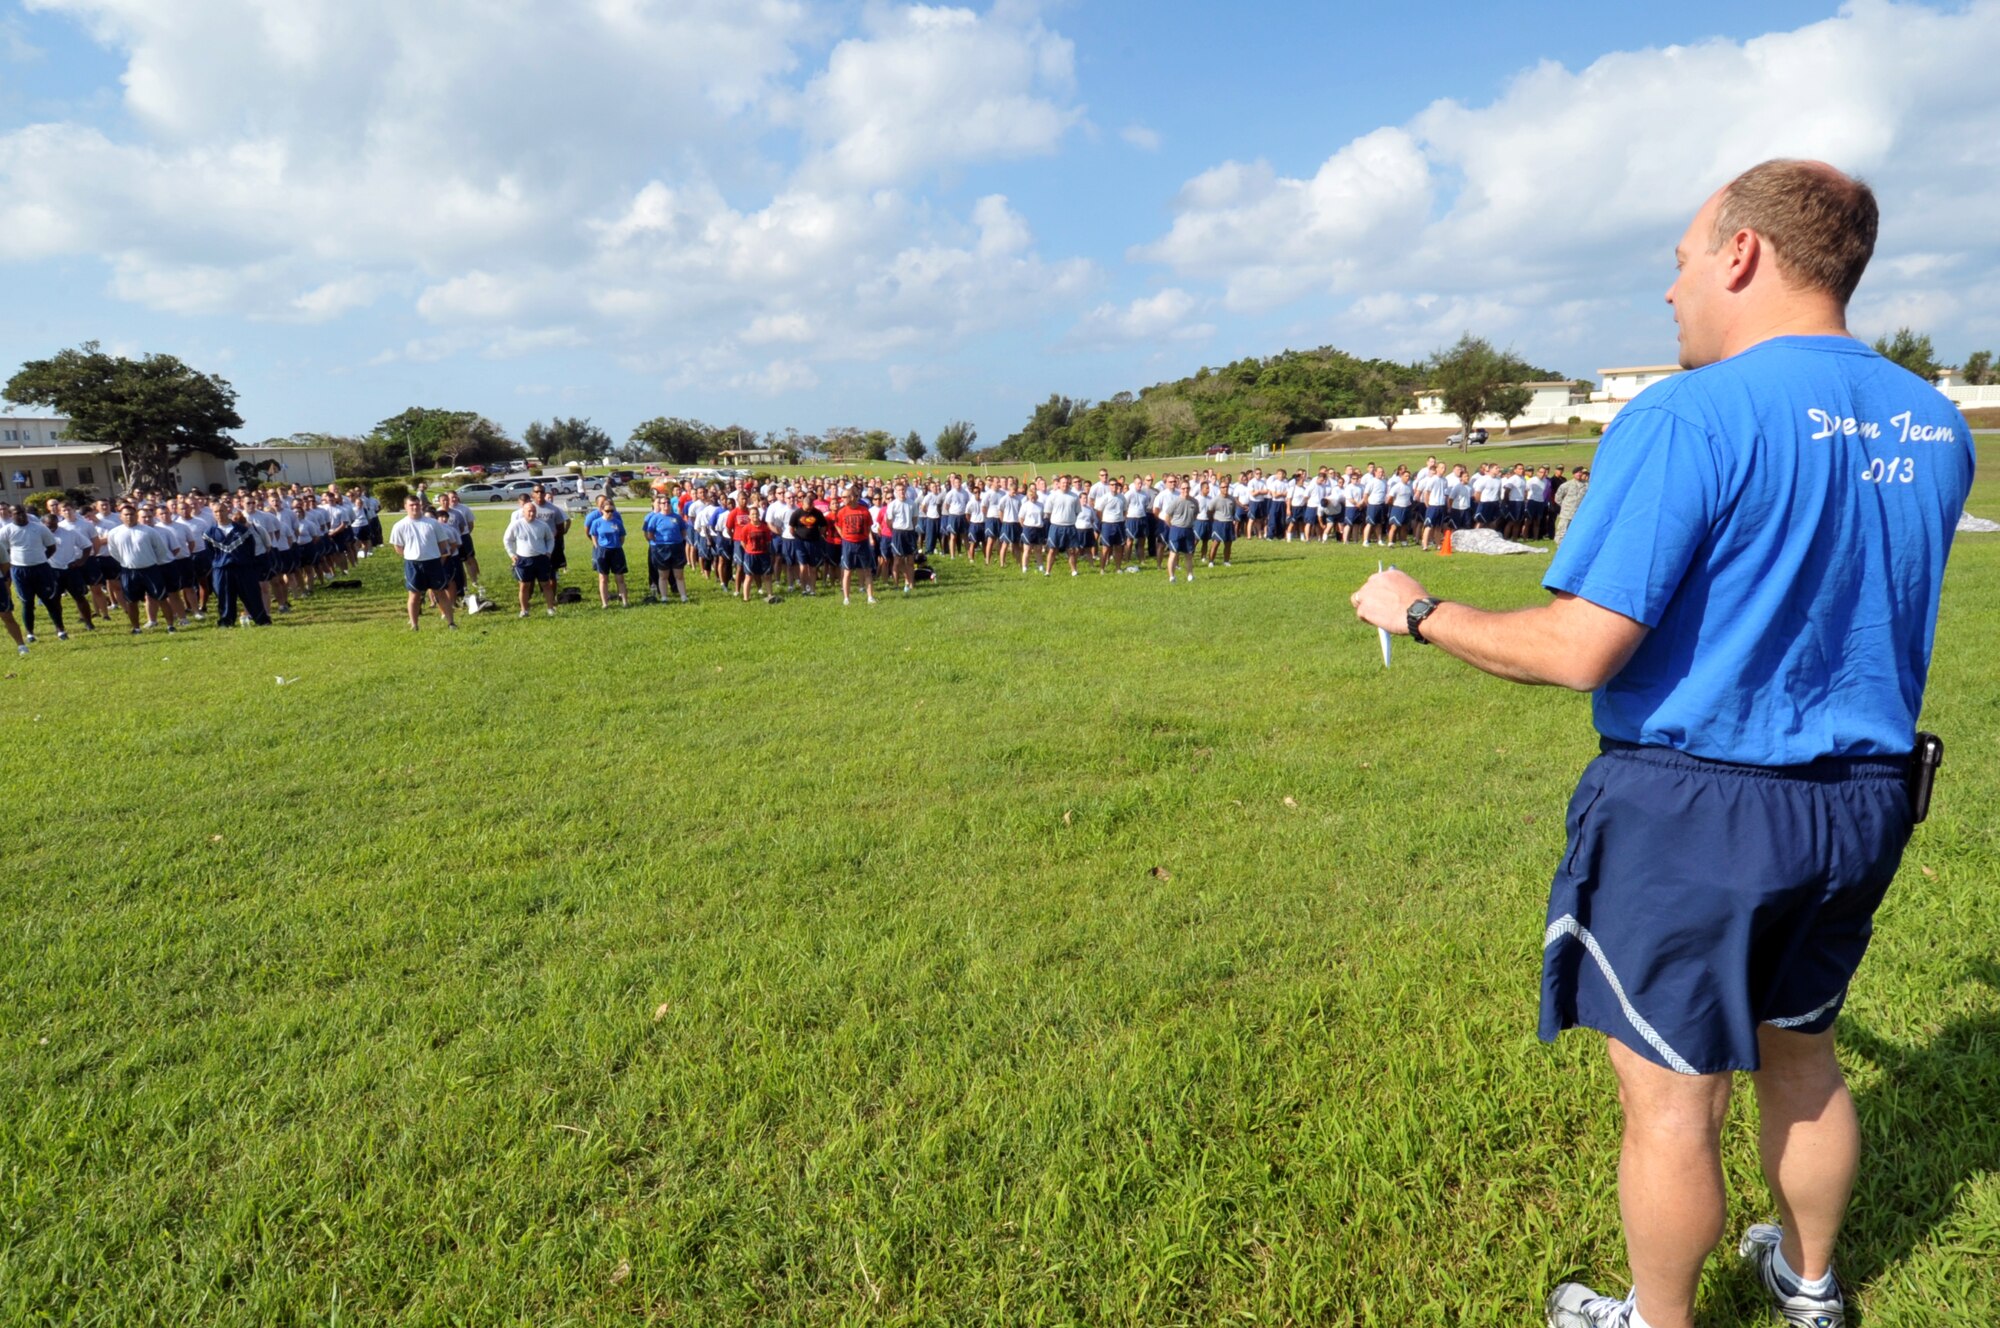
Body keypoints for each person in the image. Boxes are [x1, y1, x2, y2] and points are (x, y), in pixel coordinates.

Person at [1351, 160, 1974, 1328]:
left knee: (1672, 1100)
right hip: (1865, 799)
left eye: (1680, 260)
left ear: (1739, 254)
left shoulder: (1688, 413)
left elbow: (1580, 644)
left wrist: (1421, 610)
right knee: (1803, 1050)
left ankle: (1653, 1316)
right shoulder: (1931, 424)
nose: (1672, 291)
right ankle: (1807, 1285)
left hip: (1700, 808)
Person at [104, 502, 179, 633]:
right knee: (131, 601)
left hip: (150, 569)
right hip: (129, 571)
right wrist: (127, 562)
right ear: (120, 517)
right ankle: (136, 628)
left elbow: (160, 550)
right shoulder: (114, 533)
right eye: (126, 515)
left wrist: (151, 561)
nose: (129, 517)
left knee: (161, 597)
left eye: (132, 514)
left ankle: (170, 625)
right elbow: (113, 552)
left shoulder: (149, 531)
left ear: (136, 516)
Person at [388, 497, 457, 629]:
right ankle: (414, 625)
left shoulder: (432, 523)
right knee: (414, 594)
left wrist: (436, 556)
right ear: (406, 506)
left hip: (433, 562)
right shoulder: (400, 525)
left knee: (440, 592)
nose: (415, 507)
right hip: (413, 564)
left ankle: (451, 623)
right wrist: (411, 555)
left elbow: (442, 543)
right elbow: (398, 547)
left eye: (417, 504)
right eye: (412, 505)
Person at [203, 501, 272, 628]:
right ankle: (226, 621)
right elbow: (210, 553)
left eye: (222, 510)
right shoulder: (209, 533)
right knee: (225, 596)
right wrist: (219, 563)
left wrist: (245, 561)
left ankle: (261, 620)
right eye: (216, 512)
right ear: (213, 514)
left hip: (243, 567)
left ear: (228, 511)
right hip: (222, 569)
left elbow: (250, 548)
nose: (219, 514)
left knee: (252, 594)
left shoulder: (242, 530)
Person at [2, 504, 66, 641]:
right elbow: (4, 551)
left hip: (41, 568)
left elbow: (51, 547)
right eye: (16, 513)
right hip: (20, 570)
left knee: (50, 599)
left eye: (22, 512)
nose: (20, 515)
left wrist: (40, 558)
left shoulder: (39, 528)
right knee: (27, 602)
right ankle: (30, 633)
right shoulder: (6, 531)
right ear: (10, 514)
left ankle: (60, 630)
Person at [503, 495, 559, 617]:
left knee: (545, 584)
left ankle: (550, 608)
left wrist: (549, 552)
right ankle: (524, 610)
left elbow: (550, 539)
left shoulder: (542, 525)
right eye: (529, 511)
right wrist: (512, 555)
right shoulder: (516, 524)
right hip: (523, 559)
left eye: (534, 511)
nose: (532, 514)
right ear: (523, 512)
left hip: (541, 558)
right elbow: (507, 540)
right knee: (524, 586)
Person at [641, 492, 690, 603]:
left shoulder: (677, 517)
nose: (666, 505)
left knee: (679, 574)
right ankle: (664, 597)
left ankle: (683, 596)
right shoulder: (655, 518)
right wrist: (659, 542)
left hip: (676, 547)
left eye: (668, 502)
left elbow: (683, 531)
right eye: (664, 503)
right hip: (662, 548)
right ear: (660, 505)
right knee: (663, 574)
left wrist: (677, 540)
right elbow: (650, 534)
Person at [833, 485, 877, 605]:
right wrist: (843, 536)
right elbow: (837, 525)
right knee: (847, 571)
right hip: (848, 544)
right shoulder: (841, 511)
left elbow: (869, 527)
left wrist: (864, 536)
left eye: (845, 497)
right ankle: (846, 598)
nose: (842, 499)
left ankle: (870, 597)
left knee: (867, 570)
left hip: (862, 543)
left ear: (852, 497)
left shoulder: (864, 510)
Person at [585, 495, 629, 608]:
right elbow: (593, 535)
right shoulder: (597, 522)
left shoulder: (617, 522)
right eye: (607, 511)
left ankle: (625, 601)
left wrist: (617, 545)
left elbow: (622, 536)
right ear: (602, 510)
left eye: (612, 510)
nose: (610, 513)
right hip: (603, 551)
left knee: (620, 577)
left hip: (616, 551)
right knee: (603, 578)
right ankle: (605, 603)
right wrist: (597, 546)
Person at [1554, 467, 1591, 543]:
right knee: (1562, 531)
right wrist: (1566, 506)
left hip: (1579, 513)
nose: (1579, 474)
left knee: (1576, 532)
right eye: (1577, 473)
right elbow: (1557, 498)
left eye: (1581, 473)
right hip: (1567, 513)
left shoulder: (1587, 485)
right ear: (1574, 474)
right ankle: (1560, 547)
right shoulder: (1566, 485)